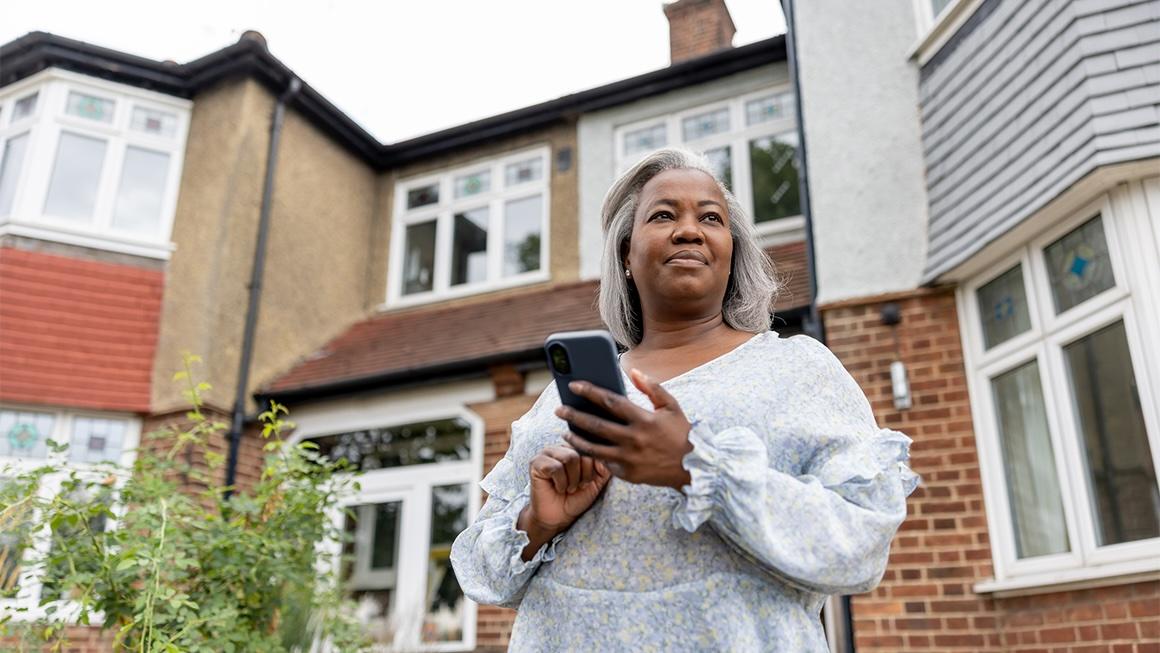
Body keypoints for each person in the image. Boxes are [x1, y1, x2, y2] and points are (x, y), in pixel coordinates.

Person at [450, 147, 919, 652]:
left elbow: (860, 545)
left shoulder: (797, 370)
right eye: (664, 215)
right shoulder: (562, 398)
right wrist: (539, 522)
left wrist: (696, 466)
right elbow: (483, 575)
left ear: (732, 250)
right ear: (626, 254)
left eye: (711, 218)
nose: (689, 230)